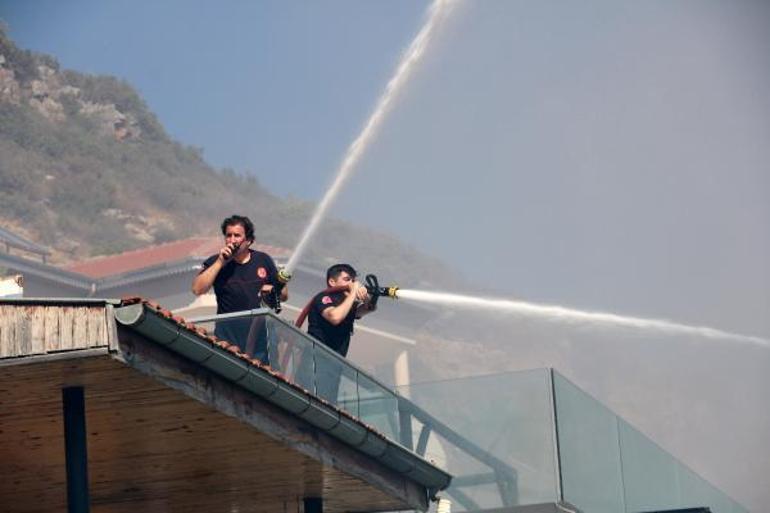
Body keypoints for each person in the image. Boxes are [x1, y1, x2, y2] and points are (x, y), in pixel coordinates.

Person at [191, 214, 288, 362]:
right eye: (228, 235)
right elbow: (197, 289)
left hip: (261, 338)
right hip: (228, 336)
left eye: (237, 235)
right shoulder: (215, 261)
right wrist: (220, 263)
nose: (232, 240)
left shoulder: (263, 260)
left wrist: (273, 290)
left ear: (249, 241)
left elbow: (284, 294)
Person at [306, 263, 376, 402]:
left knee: (328, 402)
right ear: (332, 282)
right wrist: (353, 293)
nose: (352, 283)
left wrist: (368, 298)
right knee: (312, 400)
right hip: (316, 363)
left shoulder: (346, 304)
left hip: (334, 365)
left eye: (353, 280)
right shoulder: (323, 297)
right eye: (347, 279)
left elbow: (367, 309)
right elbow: (335, 317)